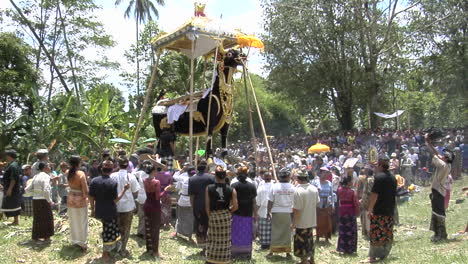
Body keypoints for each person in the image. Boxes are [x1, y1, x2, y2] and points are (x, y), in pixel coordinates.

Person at [89, 158, 130, 262]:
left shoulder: (94, 181)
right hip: (110, 212)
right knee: (108, 232)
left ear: (101, 169)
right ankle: (105, 254)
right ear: (112, 170)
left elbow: (91, 197)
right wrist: (124, 190)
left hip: (99, 210)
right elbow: (115, 200)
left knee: (106, 231)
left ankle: (108, 251)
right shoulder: (112, 183)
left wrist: (92, 209)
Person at [361, 155, 396, 263]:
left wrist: (370, 209)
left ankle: (373, 256)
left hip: (379, 210)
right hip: (390, 209)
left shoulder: (379, 177)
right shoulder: (393, 177)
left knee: (376, 233)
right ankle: (384, 253)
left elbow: (374, 195)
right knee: (387, 232)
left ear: (380, 165)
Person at [205, 166, 238, 264]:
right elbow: (235, 206)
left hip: (213, 216)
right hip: (226, 218)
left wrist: (210, 216)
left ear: (215, 175)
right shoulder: (231, 190)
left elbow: (207, 206)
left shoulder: (209, 188)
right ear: (225, 176)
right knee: (225, 241)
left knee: (212, 239)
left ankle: (211, 259)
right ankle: (224, 260)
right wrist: (228, 212)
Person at [110, 155, 140, 257]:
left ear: (118, 164)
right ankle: (123, 249)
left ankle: (114, 248)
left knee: (115, 227)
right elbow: (136, 191)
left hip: (115, 205)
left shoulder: (112, 176)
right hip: (127, 207)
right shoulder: (131, 177)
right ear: (127, 166)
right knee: (126, 229)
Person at [426, 135, 452, 242]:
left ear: (446, 158)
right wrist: (430, 144)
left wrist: (428, 144)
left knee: (438, 213)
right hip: (439, 191)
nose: (442, 156)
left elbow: (435, 155)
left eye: (443, 156)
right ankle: (440, 233)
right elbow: (437, 154)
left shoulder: (443, 165)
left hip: (438, 191)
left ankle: (440, 234)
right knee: (437, 212)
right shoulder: (447, 165)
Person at [266, 168, 295, 259]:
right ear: (288, 177)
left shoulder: (274, 186)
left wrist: (268, 211)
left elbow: (270, 201)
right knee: (286, 233)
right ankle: (287, 253)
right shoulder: (292, 187)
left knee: (275, 232)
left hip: (276, 212)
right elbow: (294, 201)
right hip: (287, 212)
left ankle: (272, 252)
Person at [292, 170, 319, 264]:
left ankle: (304, 261)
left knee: (302, 241)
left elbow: (296, 210)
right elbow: (316, 202)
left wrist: (294, 224)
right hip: (311, 220)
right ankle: (312, 259)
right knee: (310, 240)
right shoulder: (314, 189)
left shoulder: (297, 191)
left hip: (301, 222)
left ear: (298, 179)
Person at [143, 163, 169, 259]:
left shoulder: (144, 180)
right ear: (153, 171)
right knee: (155, 229)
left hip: (147, 205)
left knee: (148, 227)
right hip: (155, 206)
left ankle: (149, 248)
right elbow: (158, 197)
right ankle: (156, 252)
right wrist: (166, 190)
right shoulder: (156, 182)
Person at [231, 166, 257, 260]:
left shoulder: (234, 186)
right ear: (247, 175)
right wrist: (255, 214)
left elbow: (231, 201)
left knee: (236, 233)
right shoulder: (252, 186)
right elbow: (254, 202)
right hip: (248, 214)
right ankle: (246, 255)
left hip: (236, 213)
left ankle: (235, 254)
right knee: (246, 233)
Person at [188, 160, 214, 254]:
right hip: (210, 205)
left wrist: (192, 206)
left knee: (200, 225)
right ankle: (209, 247)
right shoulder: (211, 177)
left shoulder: (192, 179)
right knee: (209, 225)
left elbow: (192, 196)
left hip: (198, 205)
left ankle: (203, 248)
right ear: (206, 168)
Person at [25, 162, 54, 243]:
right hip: (43, 200)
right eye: (48, 166)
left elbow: (27, 189)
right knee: (47, 218)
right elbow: (46, 190)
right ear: (44, 167)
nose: (50, 168)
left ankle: (36, 237)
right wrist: (49, 201)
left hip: (35, 200)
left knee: (37, 218)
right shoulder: (46, 176)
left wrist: (34, 194)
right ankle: (46, 237)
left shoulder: (36, 176)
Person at [66, 156, 89, 251]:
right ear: (78, 163)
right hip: (80, 199)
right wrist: (86, 198)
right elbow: (85, 190)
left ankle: (75, 240)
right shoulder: (81, 174)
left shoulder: (67, 172)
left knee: (73, 220)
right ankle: (82, 242)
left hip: (71, 198)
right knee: (82, 221)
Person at [336, 176, 360, 254]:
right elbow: (355, 203)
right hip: (350, 211)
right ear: (349, 182)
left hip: (342, 211)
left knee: (342, 230)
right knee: (350, 230)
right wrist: (357, 212)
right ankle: (350, 248)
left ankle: (342, 248)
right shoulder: (352, 192)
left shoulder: (339, 190)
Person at [174, 166, 196, 241]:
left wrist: (181, 170)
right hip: (191, 201)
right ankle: (189, 236)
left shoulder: (183, 178)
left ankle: (176, 232)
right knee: (190, 219)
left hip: (182, 200)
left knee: (180, 217)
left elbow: (174, 177)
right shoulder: (196, 179)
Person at [313, 167, 334, 242]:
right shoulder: (315, 182)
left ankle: (326, 237)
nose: (325, 175)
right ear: (320, 173)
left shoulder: (329, 183)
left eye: (327, 174)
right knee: (319, 221)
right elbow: (312, 192)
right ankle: (318, 236)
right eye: (324, 173)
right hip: (318, 204)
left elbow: (332, 194)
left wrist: (333, 205)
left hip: (327, 204)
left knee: (327, 221)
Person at [1, 150, 22, 225]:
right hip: (10, 188)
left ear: (10, 156)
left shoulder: (13, 166)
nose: (5, 157)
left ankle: (16, 221)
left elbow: (13, 178)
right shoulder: (12, 164)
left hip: (12, 189)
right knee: (12, 203)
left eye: (6, 155)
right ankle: (15, 220)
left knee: (12, 203)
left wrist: (10, 189)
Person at [255, 169, 274, 250]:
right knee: (271, 228)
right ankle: (271, 243)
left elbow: (257, 202)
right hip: (273, 210)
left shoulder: (260, 188)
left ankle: (264, 244)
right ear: (271, 177)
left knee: (263, 229)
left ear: (263, 178)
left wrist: (255, 212)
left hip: (262, 210)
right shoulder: (275, 187)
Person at [134, 160, 150, 238]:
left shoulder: (140, 173)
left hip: (141, 197)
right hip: (148, 197)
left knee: (141, 215)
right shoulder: (152, 175)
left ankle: (141, 231)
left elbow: (132, 173)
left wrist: (137, 166)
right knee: (147, 215)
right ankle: (145, 233)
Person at [155, 161, 173, 228]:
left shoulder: (156, 174)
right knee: (167, 207)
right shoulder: (168, 174)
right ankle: (167, 223)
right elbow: (171, 184)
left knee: (159, 207)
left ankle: (160, 222)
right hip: (167, 192)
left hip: (158, 192)